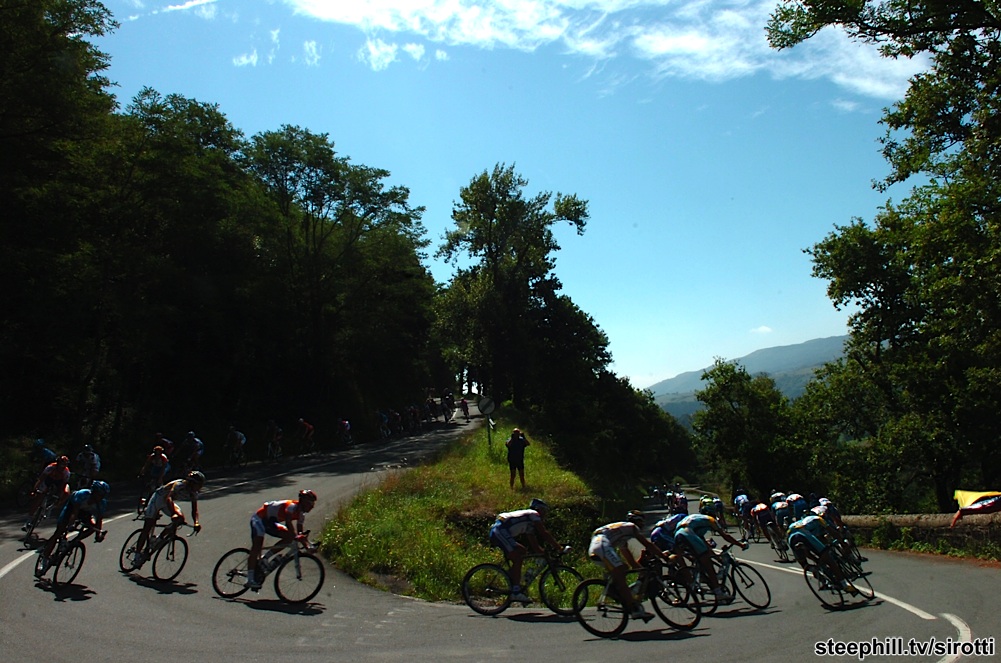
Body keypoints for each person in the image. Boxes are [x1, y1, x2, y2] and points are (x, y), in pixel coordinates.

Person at [588, 510, 673, 621]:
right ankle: (634, 609)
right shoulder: (632, 527)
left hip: (597, 545)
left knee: (624, 568)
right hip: (601, 544)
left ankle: (615, 590)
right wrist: (664, 557)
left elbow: (631, 562)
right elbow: (647, 544)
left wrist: (641, 570)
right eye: (642, 522)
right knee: (620, 572)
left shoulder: (621, 535)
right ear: (638, 521)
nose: (643, 525)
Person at [488, 498, 564, 603]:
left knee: (522, 551)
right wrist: (559, 548)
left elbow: (535, 546)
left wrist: (545, 554)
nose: (545, 514)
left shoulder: (529, 523)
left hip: (500, 530)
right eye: (544, 511)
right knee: (518, 558)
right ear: (538, 509)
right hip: (500, 531)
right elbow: (544, 533)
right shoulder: (533, 514)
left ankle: (512, 578)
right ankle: (515, 592)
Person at [128, 470, 204, 570]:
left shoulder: (194, 493)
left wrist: (196, 523)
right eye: (199, 485)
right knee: (147, 526)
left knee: (180, 519)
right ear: (192, 483)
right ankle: (137, 555)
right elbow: (168, 498)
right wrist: (173, 513)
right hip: (159, 499)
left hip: (167, 502)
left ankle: (159, 538)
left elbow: (194, 510)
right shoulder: (179, 485)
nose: (200, 487)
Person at [246, 489, 318, 589]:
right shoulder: (291, 506)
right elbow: (288, 522)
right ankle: (249, 579)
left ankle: (265, 558)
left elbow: (300, 533)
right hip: (259, 518)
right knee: (257, 546)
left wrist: (307, 547)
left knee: (289, 537)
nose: (312, 506)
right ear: (303, 502)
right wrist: (297, 537)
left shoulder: (301, 515)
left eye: (313, 504)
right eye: (310, 503)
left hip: (270, 522)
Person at [36, 481, 109, 577]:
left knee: (93, 527)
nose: (101, 497)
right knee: (59, 532)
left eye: (103, 495)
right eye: (100, 495)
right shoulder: (82, 494)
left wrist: (98, 534)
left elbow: (99, 520)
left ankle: (73, 542)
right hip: (71, 509)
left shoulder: (102, 503)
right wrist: (71, 525)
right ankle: (45, 559)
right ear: (94, 492)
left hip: (85, 513)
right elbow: (74, 513)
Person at [673, 512, 748, 600]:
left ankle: (700, 576)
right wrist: (740, 545)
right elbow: (725, 536)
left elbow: (704, 545)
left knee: (701, 557)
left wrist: (717, 558)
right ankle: (718, 592)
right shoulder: (711, 520)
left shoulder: (696, 520)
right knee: (709, 565)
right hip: (687, 534)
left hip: (678, 535)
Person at [787, 513, 857, 593]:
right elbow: (833, 533)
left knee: (804, 564)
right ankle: (844, 585)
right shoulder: (819, 519)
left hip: (791, 539)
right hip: (804, 535)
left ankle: (823, 579)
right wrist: (843, 543)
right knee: (829, 559)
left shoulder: (799, 523)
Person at [24, 455, 71, 530]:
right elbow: (41, 479)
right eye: (61, 465)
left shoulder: (66, 472)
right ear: (57, 463)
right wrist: (34, 490)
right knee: (39, 498)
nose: (62, 467)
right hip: (48, 480)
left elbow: (63, 485)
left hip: (60, 482)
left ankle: (52, 507)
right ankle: (28, 520)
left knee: (66, 493)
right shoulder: (50, 467)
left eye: (64, 465)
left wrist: (60, 495)